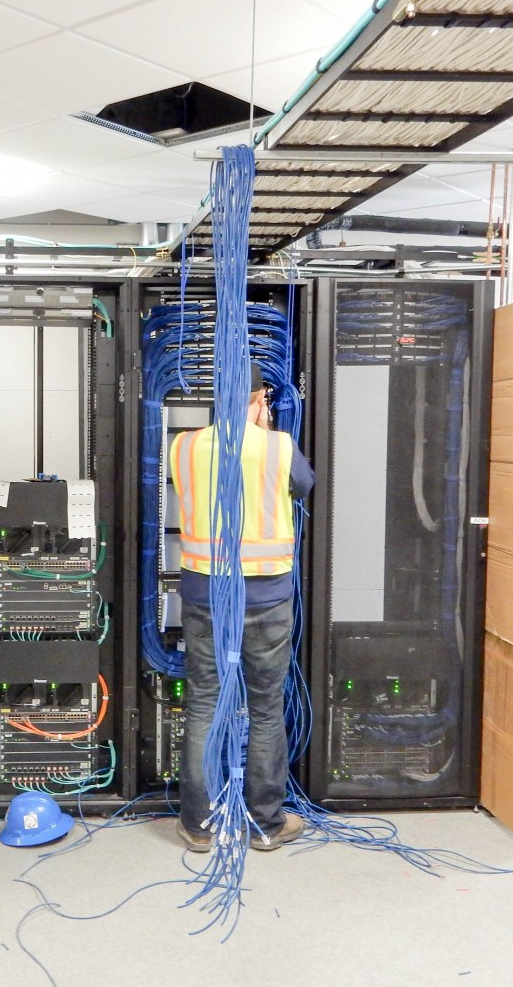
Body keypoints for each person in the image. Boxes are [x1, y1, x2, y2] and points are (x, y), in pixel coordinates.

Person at [170, 362, 315, 852]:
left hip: (204, 594)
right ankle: (266, 826)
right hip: (267, 597)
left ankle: (197, 827)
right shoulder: (277, 446)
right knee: (266, 709)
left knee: (205, 705)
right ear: (258, 400)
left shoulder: (184, 446)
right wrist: (266, 430)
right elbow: (305, 485)